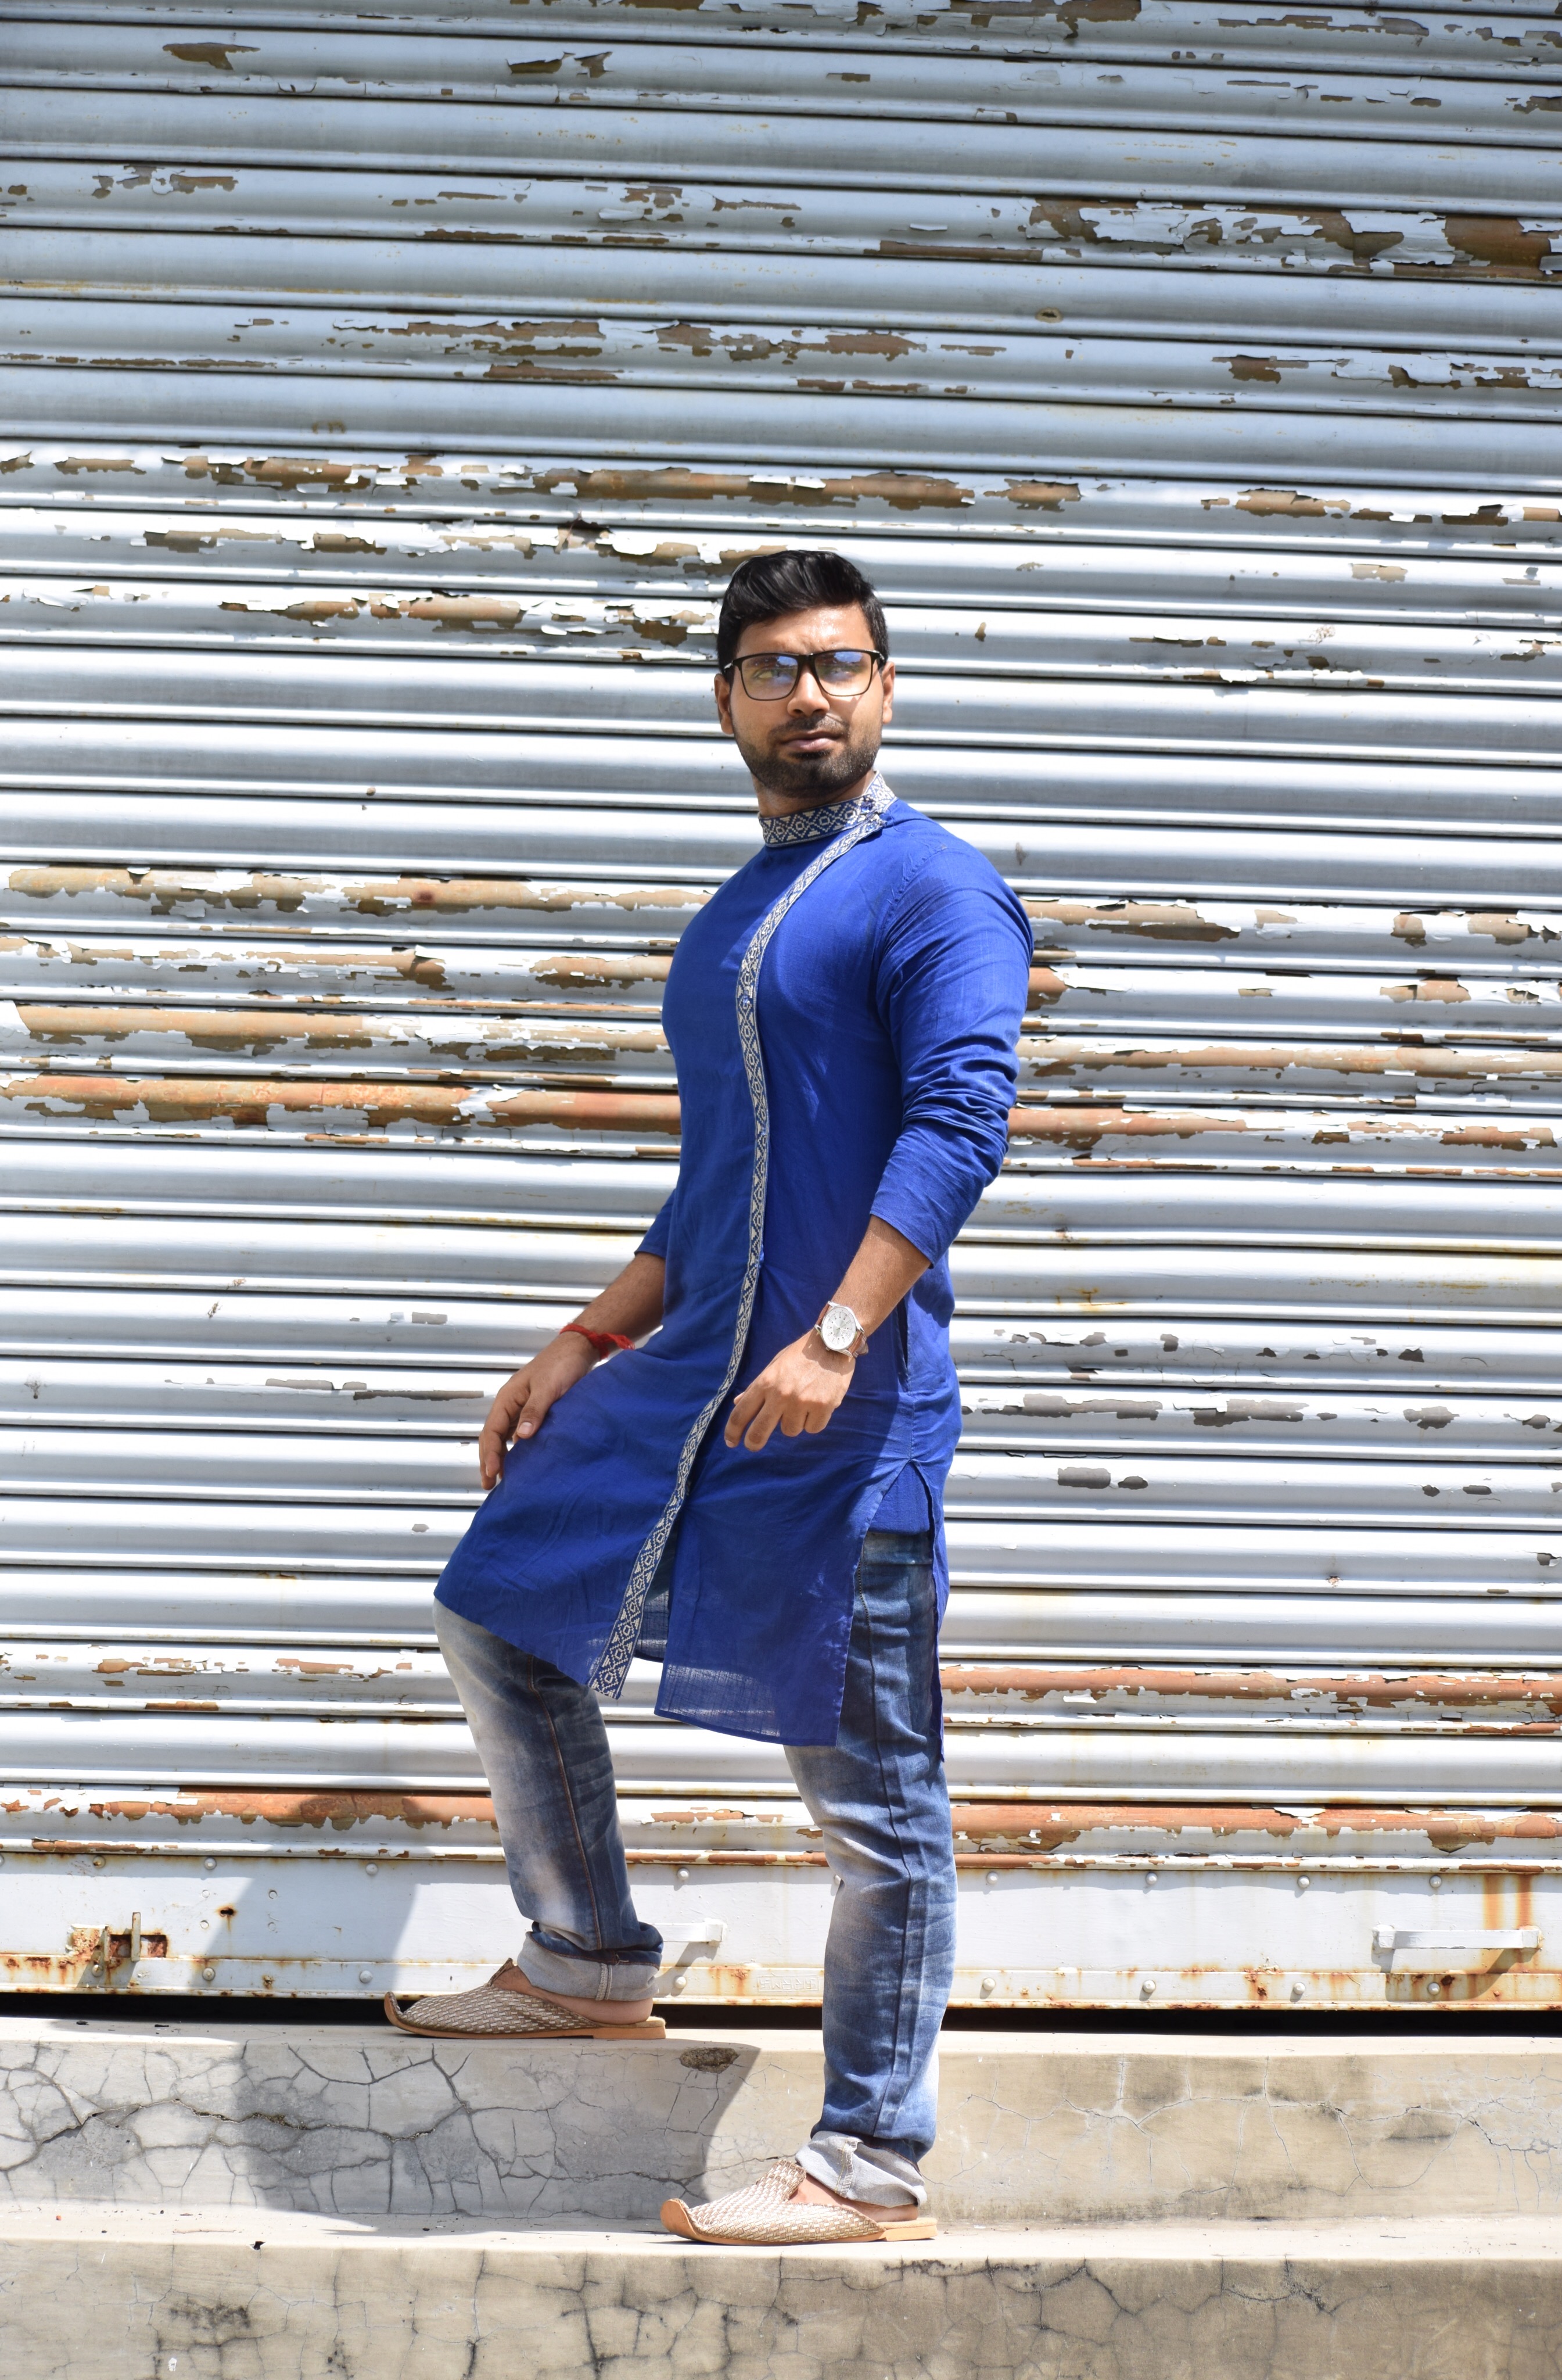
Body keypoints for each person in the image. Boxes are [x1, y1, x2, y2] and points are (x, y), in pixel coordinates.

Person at [387, 550, 1031, 2247]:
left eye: (838, 664)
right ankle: (587, 1959)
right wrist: (586, 1339)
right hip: (694, 1386)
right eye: (770, 668)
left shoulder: (936, 890)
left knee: (871, 1797)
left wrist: (839, 1333)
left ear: (884, 688)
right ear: (725, 700)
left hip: (840, 1417)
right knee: (500, 1606)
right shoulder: (739, 910)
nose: (807, 694)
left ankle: (870, 2160)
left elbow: (960, 1125)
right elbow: (715, 1188)